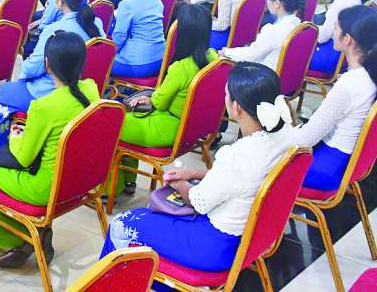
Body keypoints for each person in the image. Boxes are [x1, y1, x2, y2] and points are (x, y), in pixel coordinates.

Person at [102, 62, 294, 272]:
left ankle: (122, 281)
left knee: (121, 224)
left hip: (214, 246)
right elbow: (240, 181)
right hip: (250, 239)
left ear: (236, 107)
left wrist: (178, 183)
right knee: (152, 215)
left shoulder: (237, 155)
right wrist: (194, 173)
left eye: (226, 95)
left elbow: (197, 201)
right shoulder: (286, 137)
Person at [0, 31, 99, 268]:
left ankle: (16, 240)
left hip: (47, 187)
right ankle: (31, 233)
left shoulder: (44, 106)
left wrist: (15, 136)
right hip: (80, 179)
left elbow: (23, 157)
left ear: (47, 64)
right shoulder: (91, 89)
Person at [286, 5, 377, 190]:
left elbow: (304, 140)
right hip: (346, 158)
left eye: (336, 28)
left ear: (348, 39)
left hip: (328, 166)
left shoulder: (349, 86)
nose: (333, 33)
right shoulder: (375, 70)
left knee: (263, 161)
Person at [116, 4, 217, 195]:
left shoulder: (181, 67)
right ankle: (126, 182)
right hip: (194, 128)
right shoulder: (213, 58)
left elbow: (160, 102)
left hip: (169, 128)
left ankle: (114, 188)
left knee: (114, 123)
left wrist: (150, 97)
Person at [0, 0, 103, 146]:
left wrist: (22, 76)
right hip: (81, 88)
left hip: (47, 91)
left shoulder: (56, 30)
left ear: (60, 0)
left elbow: (33, 68)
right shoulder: (97, 24)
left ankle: (1, 145)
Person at [222, 0, 304, 71]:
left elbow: (250, 55)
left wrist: (227, 52)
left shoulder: (274, 31)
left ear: (276, 3)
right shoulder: (298, 24)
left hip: (265, 75)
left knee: (222, 62)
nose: (266, 1)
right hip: (285, 75)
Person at [310, 0, 368, 74]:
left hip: (330, 55)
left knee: (290, 54)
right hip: (344, 55)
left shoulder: (341, 1)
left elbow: (323, 37)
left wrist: (308, 32)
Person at [111, 0, 166, 77]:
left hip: (139, 64)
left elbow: (119, 36)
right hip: (161, 60)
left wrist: (109, 54)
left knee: (98, 61)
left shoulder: (127, 4)